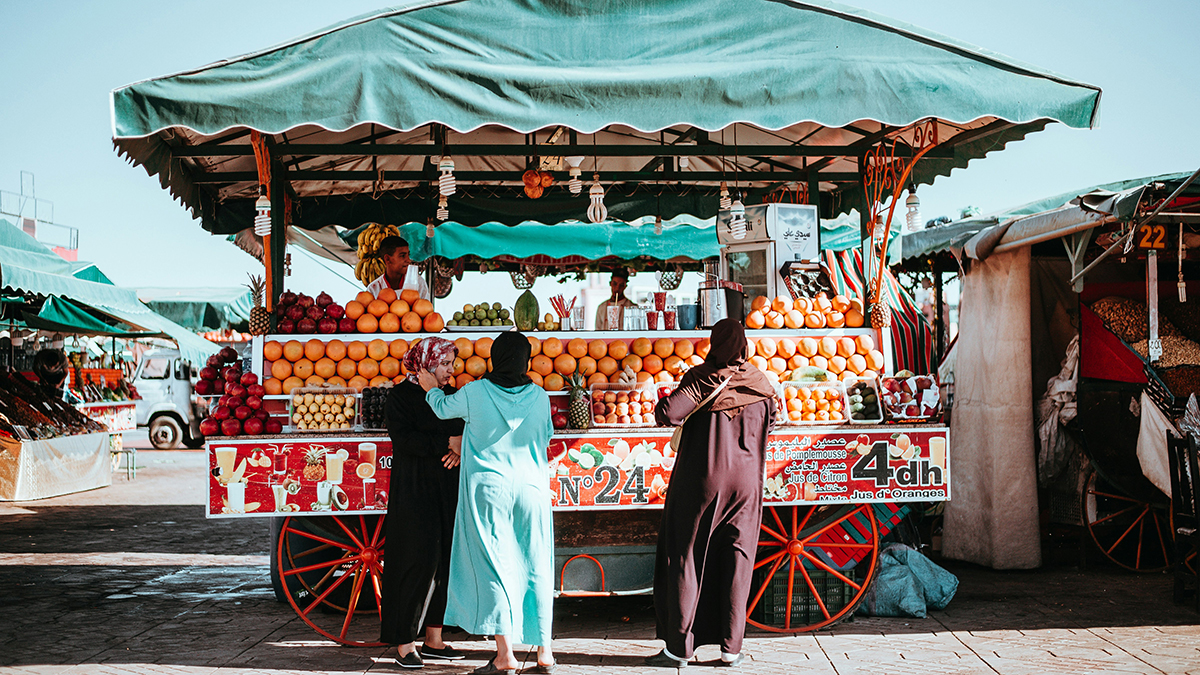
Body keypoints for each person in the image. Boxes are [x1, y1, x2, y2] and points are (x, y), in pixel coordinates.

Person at [417, 332, 555, 675]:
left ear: (494, 358)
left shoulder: (475, 392)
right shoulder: (539, 396)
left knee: (495, 565)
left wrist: (429, 387)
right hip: (532, 490)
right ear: (525, 360)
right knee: (537, 565)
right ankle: (545, 653)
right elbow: (546, 435)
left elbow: (441, 408)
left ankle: (505, 655)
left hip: (489, 491)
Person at [646, 319, 777, 669]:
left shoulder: (704, 376)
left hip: (703, 481)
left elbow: (669, 414)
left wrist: (662, 395)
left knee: (687, 555)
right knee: (738, 558)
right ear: (745, 345)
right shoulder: (761, 382)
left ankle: (680, 648)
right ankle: (731, 649)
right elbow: (772, 420)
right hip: (748, 483)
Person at [380, 337, 466, 669]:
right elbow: (405, 440)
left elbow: (464, 430)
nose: (450, 370)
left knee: (445, 563)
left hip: (447, 488)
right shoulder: (399, 397)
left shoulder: (450, 397)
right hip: (414, 491)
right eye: (445, 364)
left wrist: (459, 449)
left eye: (451, 364)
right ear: (425, 364)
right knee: (415, 563)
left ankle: (434, 639)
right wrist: (448, 442)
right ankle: (404, 643)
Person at [367, 235, 431, 301]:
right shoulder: (373, 289)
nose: (408, 260)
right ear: (387, 259)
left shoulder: (418, 283)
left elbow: (426, 308)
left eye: (408, 255)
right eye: (402, 256)